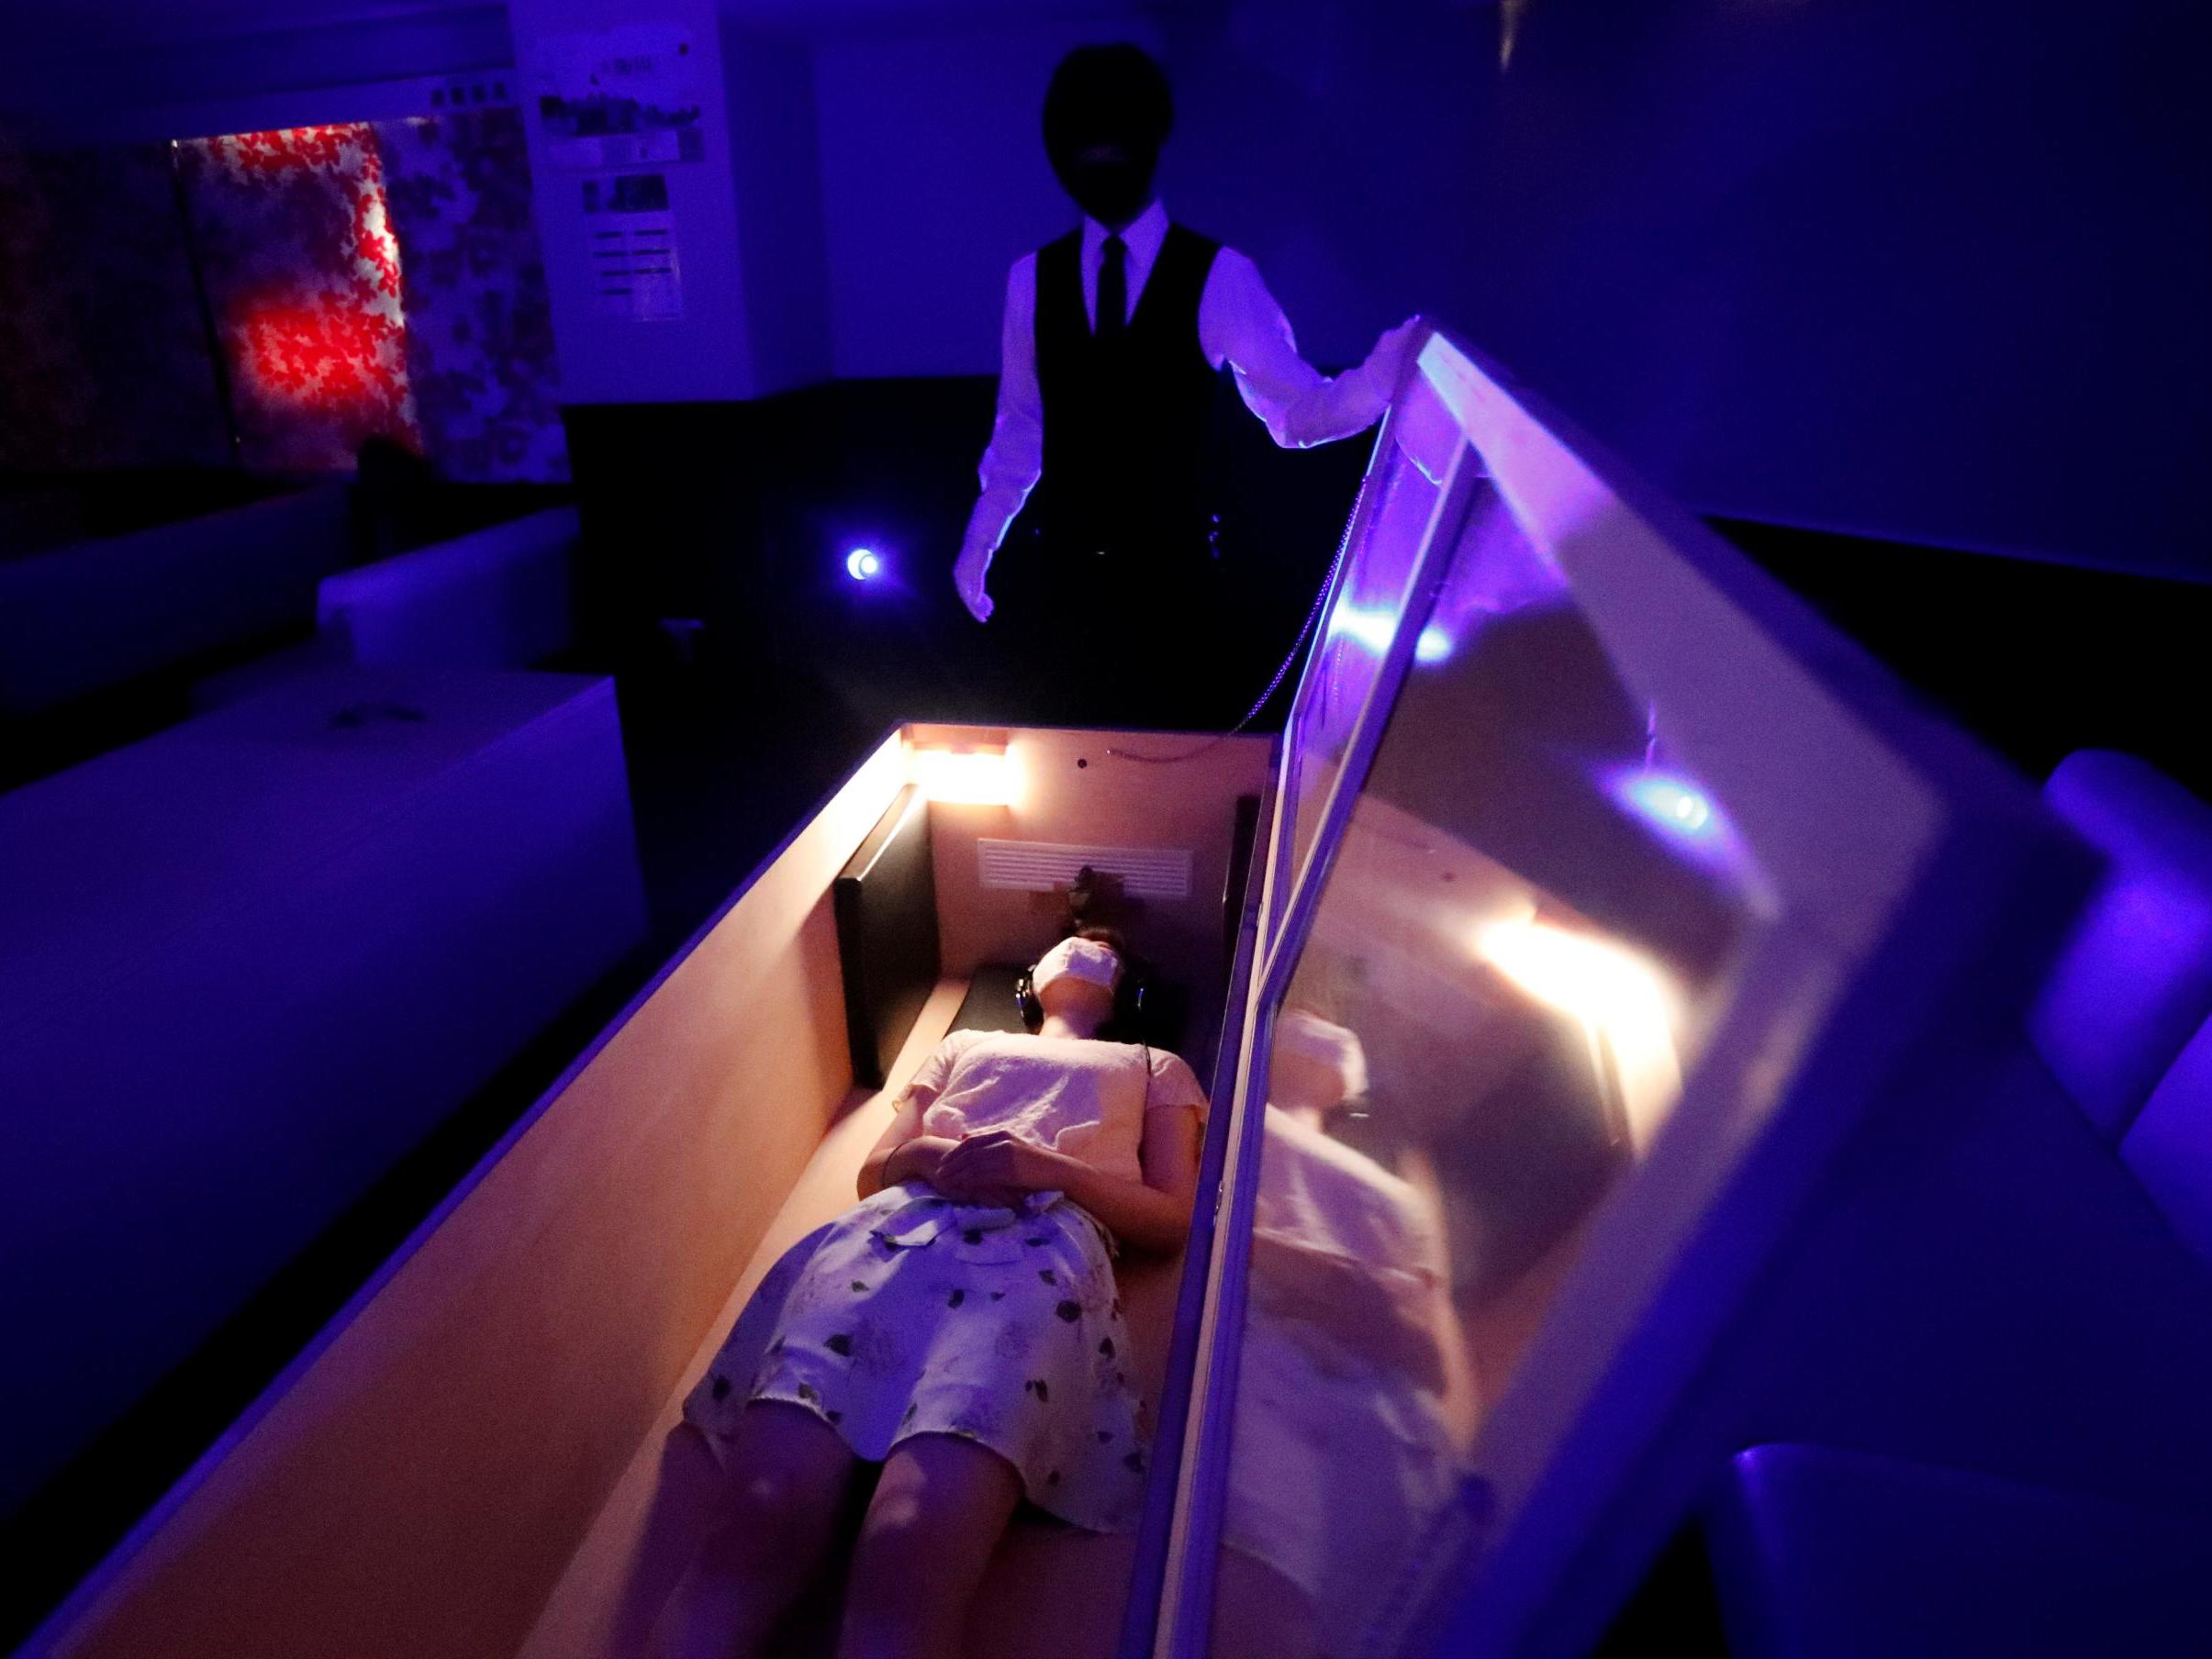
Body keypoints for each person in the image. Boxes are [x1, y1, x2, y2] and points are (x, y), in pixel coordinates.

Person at [652, 930, 1208, 1659]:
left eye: (1101, 948)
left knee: (913, 1536)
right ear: (1029, 978)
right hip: (893, 1230)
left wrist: (1044, 1166)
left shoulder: (1153, 1065)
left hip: (1039, 1255)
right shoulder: (964, 1041)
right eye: (1066, 941)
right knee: (765, 1506)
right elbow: (876, 1170)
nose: (1080, 948)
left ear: (1130, 991)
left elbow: (1172, 1217)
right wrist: (928, 1156)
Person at [950, 43, 1422, 728]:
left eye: (1115, 129)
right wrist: (981, 538)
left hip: (1176, 594)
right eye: (1081, 134)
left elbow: (1294, 416)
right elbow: (1024, 425)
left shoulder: (1221, 276)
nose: (1099, 154)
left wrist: (1376, 380)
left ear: (1153, 136)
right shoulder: (1031, 279)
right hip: (1063, 588)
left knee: (1177, 784)